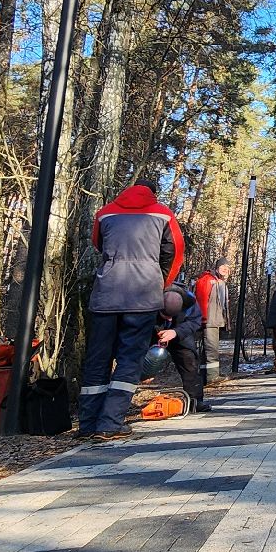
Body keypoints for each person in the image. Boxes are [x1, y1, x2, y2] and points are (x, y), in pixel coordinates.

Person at [80, 177, 184, 438]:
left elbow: (98, 244)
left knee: (97, 358)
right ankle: (110, 423)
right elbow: (175, 253)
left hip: (106, 294)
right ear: (153, 193)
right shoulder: (163, 214)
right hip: (142, 296)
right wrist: (160, 282)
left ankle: (87, 424)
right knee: (130, 358)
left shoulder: (105, 212)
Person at [157, 274, 208, 412]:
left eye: (170, 316)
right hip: (153, 328)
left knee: (189, 360)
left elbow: (195, 321)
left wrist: (175, 332)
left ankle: (195, 401)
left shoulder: (190, 301)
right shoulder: (151, 293)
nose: (168, 319)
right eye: (164, 315)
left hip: (180, 330)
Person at [193, 260, 230, 382]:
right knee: (211, 348)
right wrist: (203, 318)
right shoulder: (208, 280)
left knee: (208, 348)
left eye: (227, 267)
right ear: (217, 267)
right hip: (210, 320)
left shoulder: (220, 282)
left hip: (215, 319)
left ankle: (205, 375)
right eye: (223, 266)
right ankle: (212, 377)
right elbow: (202, 299)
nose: (225, 269)